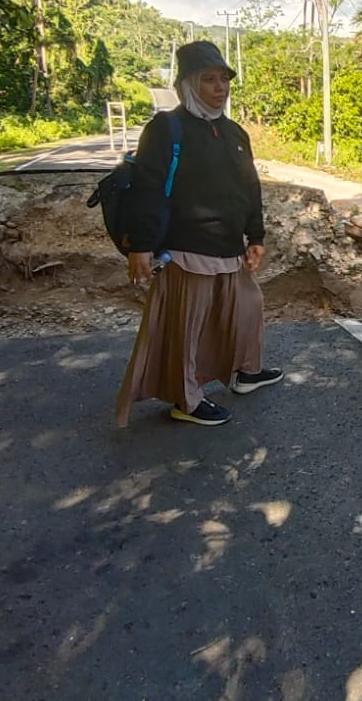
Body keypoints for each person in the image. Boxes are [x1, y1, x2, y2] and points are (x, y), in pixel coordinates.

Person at [116, 40, 282, 427]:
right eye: (209, 79)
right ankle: (186, 399)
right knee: (188, 327)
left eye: (224, 79)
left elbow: (250, 188)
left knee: (248, 308)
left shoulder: (235, 133)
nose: (220, 87)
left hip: (228, 247)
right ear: (188, 85)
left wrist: (255, 236)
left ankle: (244, 373)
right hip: (185, 249)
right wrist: (140, 247)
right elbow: (148, 189)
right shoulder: (166, 129)